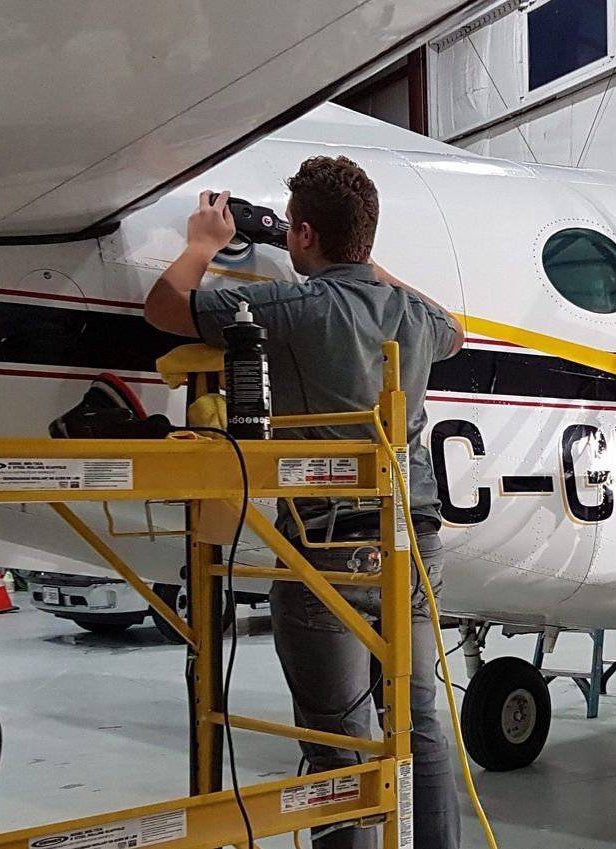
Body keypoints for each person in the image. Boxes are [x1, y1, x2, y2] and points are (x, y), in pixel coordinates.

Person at [143, 155, 464, 849]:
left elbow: (165, 307)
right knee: (420, 722)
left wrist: (203, 243)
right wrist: (366, 267)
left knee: (337, 739)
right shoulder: (415, 317)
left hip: (326, 549)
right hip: (414, 540)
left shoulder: (294, 305)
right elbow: (454, 329)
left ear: (305, 235)